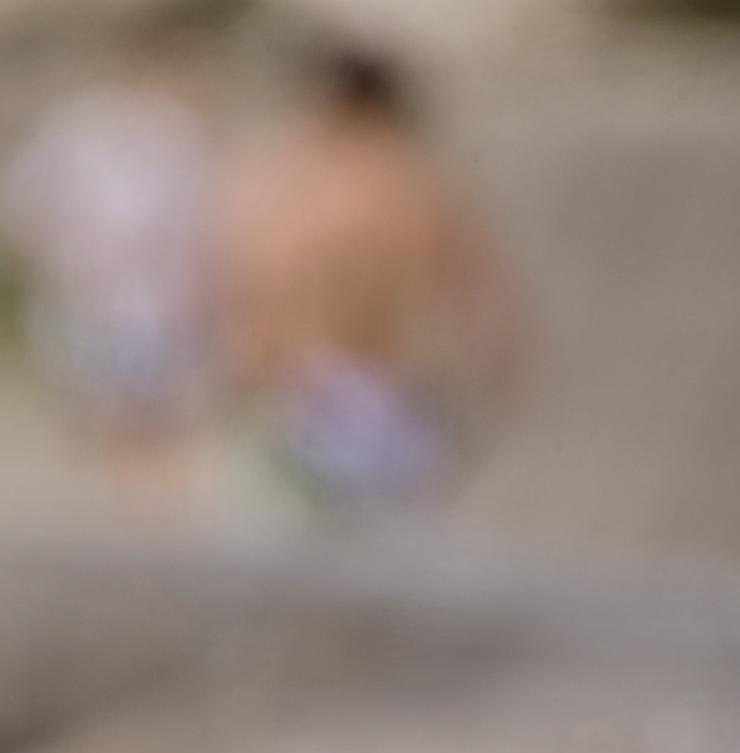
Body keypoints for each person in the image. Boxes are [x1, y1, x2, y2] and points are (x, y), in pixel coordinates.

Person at [218, 43, 523, 518]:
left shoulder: (297, 186)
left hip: (311, 397)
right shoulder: (419, 185)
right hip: (398, 403)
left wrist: (245, 368)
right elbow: (486, 308)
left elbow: (263, 286)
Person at [0, 16, 221, 511]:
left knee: (143, 436)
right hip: (101, 309)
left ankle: (128, 525)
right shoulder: (89, 128)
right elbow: (27, 210)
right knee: (110, 432)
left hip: (155, 316)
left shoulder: (180, 137)